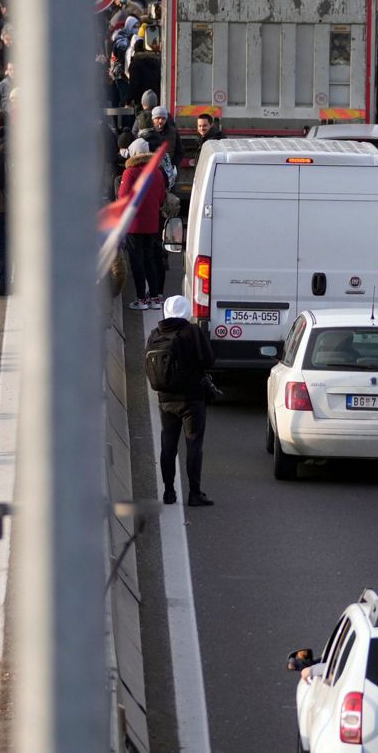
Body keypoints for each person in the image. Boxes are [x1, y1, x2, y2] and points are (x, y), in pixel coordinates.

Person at [146, 295, 215, 507]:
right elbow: (209, 360)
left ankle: (168, 492)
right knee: (193, 444)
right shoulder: (191, 331)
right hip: (191, 400)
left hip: (165, 399)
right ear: (186, 312)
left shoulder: (155, 334)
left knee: (168, 445)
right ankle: (195, 493)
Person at [120, 137, 166, 310]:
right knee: (150, 259)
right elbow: (161, 198)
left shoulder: (130, 173)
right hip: (152, 223)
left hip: (134, 223)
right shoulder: (157, 172)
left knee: (136, 261)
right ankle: (154, 297)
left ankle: (141, 299)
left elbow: (124, 198)